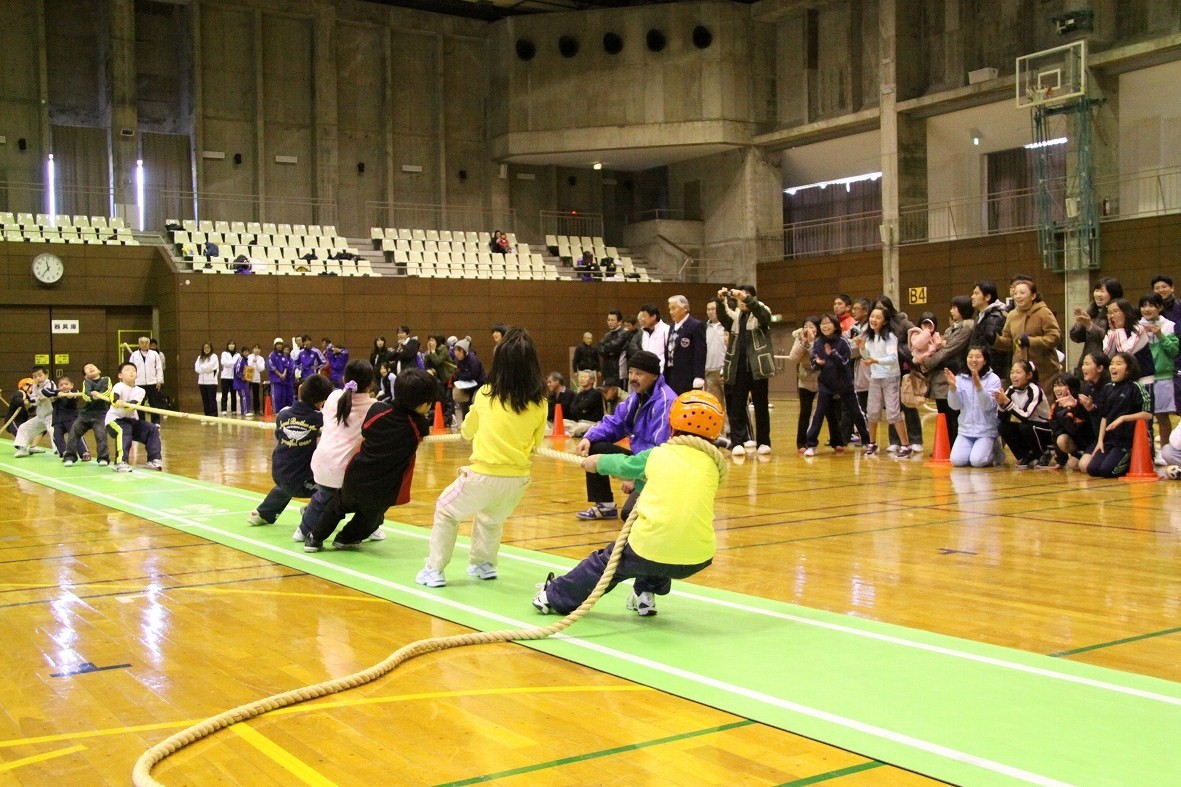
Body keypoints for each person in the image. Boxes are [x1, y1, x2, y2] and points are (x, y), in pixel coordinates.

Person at [533, 391, 727, 618]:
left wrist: (599, 462)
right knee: (660, 544)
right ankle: (645, 595)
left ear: (672, 425)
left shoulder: (656, 455)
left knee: (606, 562)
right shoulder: (714, 466)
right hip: (697, 558)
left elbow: (624, 464)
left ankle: (552, 597)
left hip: (650, 550)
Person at [416, 327, 547, 587]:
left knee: (446, 509)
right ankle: (483, 564)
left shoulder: (487, 393)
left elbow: (466, 432)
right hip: (517, 481)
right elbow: (537, 442)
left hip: (484, 475)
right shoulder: (540, 402)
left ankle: (434, 569)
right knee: (490, 518)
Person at [310, 369, 435, 549]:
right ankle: (345, 538)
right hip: (382, 487)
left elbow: (366, 431)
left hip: (356, 474)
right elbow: (419, 428)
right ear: (423, 405)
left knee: (337, 506)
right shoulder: (418, 425)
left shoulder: (377, 409)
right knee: (371, 519)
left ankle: (314, 537)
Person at [574, 350, 676, 521]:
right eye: (630, 372)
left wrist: (634, 474)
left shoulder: (666, 401)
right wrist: (589, 437)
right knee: (596, 445)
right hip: (640, 461)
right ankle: (604, 505)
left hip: (656, 467)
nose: (633, 377)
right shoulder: (636, 397)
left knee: (630, 515)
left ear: (653, 376)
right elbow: (615, 422)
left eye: (639, 373)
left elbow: (659, 449)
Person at [298, 359, 379, 552]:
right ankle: (363, 529)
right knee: (361, 498)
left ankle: (303, 529)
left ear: (344, 378)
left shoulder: (334, 396)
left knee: (323, 496)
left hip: (321, 461)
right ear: (370, 384)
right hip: (344, 471)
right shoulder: (374, 406)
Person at [247, 375, 333, 526]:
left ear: (300, 390)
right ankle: (311, 510)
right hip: (301, 482)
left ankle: (263, 513)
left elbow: (278, 435)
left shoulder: (283, 413)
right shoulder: (320, 419)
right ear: (323, 401)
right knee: (335, 488)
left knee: (290, 476)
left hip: (278, 473)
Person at [715, 285, 775, 456]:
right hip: (738, 369)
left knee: (761, 406)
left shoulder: (762, 311)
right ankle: (737, 442)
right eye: (739, 299)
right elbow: (723, 317)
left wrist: (746, 298)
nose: (741, 302)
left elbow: (765, 317)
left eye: (745, 298)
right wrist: (721, 301)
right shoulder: (735, 317)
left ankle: (763, 441)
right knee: (736, 407)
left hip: (757, 369)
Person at [804, 314, 871, 456]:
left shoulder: (843, 342)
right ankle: (811, 444)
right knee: (818, 414)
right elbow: (812, 362)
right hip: (825, 384)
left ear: (835, 326)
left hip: (844, 383)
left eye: (828, 323)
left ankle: (867, 441)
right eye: (822, 324)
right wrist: (817, 363)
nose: (825, 326)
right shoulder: (818, 343)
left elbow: (845, 363)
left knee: (856, 413)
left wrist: (832, 354)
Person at [1080, 352, 1152, 478]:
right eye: (1112, 363)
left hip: (1127, 442)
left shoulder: (1136, 387)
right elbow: (1104, 416)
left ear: (1128, 369)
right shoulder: (1108, 388)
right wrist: (1100, 441)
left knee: (1107, 471)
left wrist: (1123, 418)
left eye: (1118, 364)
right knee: (1092, 469)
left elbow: (1148, 414)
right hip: (1110, 440)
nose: (1113, 367)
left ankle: (1130, 459)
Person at [856, 307, 913, 457]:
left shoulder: (890, 337)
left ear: (885, 321)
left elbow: (893, 358)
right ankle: (872, 444)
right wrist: (862, 348)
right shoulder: (869, 337)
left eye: (878, 317)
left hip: (890, 377)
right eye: (872, 316)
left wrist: (876, 360)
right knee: (872, 411)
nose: (873, 320)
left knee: (893, 412)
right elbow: (866, 355)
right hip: (875, 377)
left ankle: (906, 446)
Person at [992, 278, 1061, 397]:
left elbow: (1054, 338)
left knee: (1042, 406)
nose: (1018, 296)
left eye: (1022, 293)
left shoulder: (1043, 312)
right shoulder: (1012, 315)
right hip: (1021, 371)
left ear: (1033, 295)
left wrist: (1030, 341)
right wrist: (995, 340)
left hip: (1044, 372)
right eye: (1015, 293)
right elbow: (1009, 341)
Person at [921, 296, 974, 447]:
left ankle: (955, 447)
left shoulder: (966, 328)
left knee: (953, 416)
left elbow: (948, 350)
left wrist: (928, 363)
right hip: (941, 375)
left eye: (954, 308)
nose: (951, 311)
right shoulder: (952, 328)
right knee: (942, 414)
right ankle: (946, 446)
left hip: (954, 374)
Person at [945, 346, 1004, 467]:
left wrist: (979, 387)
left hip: (986, 431)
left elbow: (988, 406)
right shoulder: (960, 378)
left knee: (977, 461)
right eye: (970, 356)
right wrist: (952, 388)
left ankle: (995, 448)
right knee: (957, 461)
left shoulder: (993, 379)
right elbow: (955, 406)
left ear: (985, 360)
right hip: (965, 431)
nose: (973, 360)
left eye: (978, 357)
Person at [105, 362, 164, 472]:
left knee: (152, 429)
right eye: (127, 370)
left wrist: (126, 404)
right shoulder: (119, 386)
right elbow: (113, 399)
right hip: (115, 421)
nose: (131, 372)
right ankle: (120, 462)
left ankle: (154, 459)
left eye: (133, 370)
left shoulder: (141, 391)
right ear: (120, 375)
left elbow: (134, 404)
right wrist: (117, 401)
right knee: (124, 430)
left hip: (132, 421)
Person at [1137, 292, 1178, 447]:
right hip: (1143, 378)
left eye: (1151, 305)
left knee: (1162, 416)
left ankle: (1165, 450)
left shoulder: (1168, 325)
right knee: (1143, 417)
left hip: (1163, 377)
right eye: (1144, 305)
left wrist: (1160, 335)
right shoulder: (1137, 327)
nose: (1147, 309)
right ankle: (1148, 451)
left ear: (1160, 307)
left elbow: (1174, 350)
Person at [995, 360, 1052, 469]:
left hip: (1044, 428)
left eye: (1018, 372)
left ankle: (1043, 453)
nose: (1014, 376)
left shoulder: (1035, 390)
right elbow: (1001, 418)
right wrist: (1000, 404)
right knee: (1003, 426)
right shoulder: (1011, 390)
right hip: (1027, 426)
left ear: (1029, 375)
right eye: (1012, 372)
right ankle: (1026, 454)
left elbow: (1025, 416)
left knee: (1025, 426)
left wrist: (1007, 402)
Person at [62, 364, 113, 466]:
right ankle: (70, 457)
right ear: (85, 375)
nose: (90, 367)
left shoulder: (106, 379)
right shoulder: (87, 382)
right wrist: (93, 397)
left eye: (92, 366)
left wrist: (99, 395)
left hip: (101, 415)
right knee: (73, 433)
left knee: (101, 435)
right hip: (85, 415)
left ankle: (103, 458)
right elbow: (86, 394)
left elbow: (108, 391)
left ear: (99, 370)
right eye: (86, 368)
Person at [1069, 277, 1122, 372]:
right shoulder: (1091, 311)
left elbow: (1110, 339)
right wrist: (1079, 323)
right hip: (1088, 364)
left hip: (1106, 365)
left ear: (1113, 293)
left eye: (1102, 291)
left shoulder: (1118, 313)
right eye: (1096, 291)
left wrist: (1090, 325)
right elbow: (1076, 338)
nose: (1098, 294)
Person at [1047, 373, 1093, 470]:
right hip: (1078, 445)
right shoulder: (1055, 407)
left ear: (1071, 387)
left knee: (1085, 467)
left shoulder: (1081, 402)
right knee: (1072, 463)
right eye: (1055, 386)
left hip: (1090, 442)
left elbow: (1085, 428)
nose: (1057, 389)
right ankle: (1079, 455)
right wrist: (1060, 461)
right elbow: (1055, 433)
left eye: (1061, 385)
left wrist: (1075, 408)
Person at [663, 295, 707, 396]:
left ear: (685, 308)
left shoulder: (695, 326)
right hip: (671, 374)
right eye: (670, 309)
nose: (671, 312)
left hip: (687, 376)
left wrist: (699, 376)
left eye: (674, 308)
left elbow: (700, 352)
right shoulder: (672, 326)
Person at [970, 281, 1010, 377]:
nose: (972, 296)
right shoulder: (982, 316)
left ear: (987, 297)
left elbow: (995, 351)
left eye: (976, 293)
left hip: (991, 374)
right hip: (983, 370)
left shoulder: (995, 317)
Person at [12, 367, 55, 457]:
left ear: (46, 374)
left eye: (40, 375)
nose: (37, 378)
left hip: (51, 416)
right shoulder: (35, 386)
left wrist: (36, 399)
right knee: (24, 427)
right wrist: (30, 403)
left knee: (52, 431)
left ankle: (59, 451)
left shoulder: (50, 384)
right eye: (35, 376)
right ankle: (22, 449)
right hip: (40, 416)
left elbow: (48, 394)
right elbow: (33, 398)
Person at [125, 336, 165, 424]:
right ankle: (141, 423)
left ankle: (156, 422)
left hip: (152, 383)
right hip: (139, 383)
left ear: (149, 344)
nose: (144, 344)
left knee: (154, 404)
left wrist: (159, 381)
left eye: (146, 343)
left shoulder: (154, 354)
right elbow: (131, 369)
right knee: (140, 404)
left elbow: (159, 368)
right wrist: (132, 381)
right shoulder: (134, 355)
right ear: (139, 344)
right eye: (142, 343)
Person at [703, 300, 728, 431]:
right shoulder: (704, 328)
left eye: (713, 309)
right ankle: (719, 431)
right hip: (709, 371)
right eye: (708, 309)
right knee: (715, 405)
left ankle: (732, 432)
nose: (710, 312)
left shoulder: (727, 326)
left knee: (730, 404)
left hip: (725, 370)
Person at [450, 336, 485, 426]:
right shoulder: (459, 361)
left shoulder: (473, 360)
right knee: (463, 403)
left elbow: (473, 374)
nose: (456, 353)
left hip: (478, 385)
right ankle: (466, 424)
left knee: (475, 402)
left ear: (464, 352)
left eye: (459, 351)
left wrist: (460, 375)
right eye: (455, 350)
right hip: (466, 386)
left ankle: (478, 424)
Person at [50, 377, 82, 457]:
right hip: (57, 421)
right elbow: (45, 392)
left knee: (75, 435)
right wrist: (57, 393)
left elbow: (73, 400)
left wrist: (69, 396)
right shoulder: (56, 394)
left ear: (71, 385)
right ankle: (64, 452)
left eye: (66, 384)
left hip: (71, 419)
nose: (64, 386)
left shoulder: (74, 392)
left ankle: (84, 452)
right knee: (56, 437)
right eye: (61, 385)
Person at [566, 370, 605, 436]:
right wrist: (581, 410)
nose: (582, 379)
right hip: (579, 422)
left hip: (591, 423)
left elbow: (584, 406)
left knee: (580, 427)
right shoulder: (579, 394)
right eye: (581, 377)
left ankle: (571, 433)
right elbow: (572, 408)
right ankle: (573, 432)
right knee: (562, 422)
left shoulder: (596, 394)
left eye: (584, 377)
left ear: (592, 380)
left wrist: (580, 409)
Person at [596, 310, 629, 383]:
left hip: (619, 372)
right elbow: (599, 347)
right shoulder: (607, 335)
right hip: (607, 370)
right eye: (608, 320)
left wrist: (607, 350)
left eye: (612, 320)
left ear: (619, 322)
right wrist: (609, 352)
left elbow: (615, 346)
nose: (610, 322)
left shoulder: (623, 333)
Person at [637, 304, 670, 373]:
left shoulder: (666, 330)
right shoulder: (644, 331)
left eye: (644, 316)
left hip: (662, 372)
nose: (642, 319)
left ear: (653, 317)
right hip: (647, 372)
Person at [268, 339, 296, 413]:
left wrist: (284, 374)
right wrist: (279, 374)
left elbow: (286, 365)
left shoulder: (284, 355)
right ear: (275, 345)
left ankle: (282, 412)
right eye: (278, 344)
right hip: (275, 380)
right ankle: (275, 412)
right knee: (276, 397)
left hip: (283, 380)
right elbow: (272, 366)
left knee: (283, 397)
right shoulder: (272, 355)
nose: (279, 346)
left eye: (280, 344)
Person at [194, 342, 219, 417]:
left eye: (208, 348)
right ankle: (207, 415)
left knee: (211, 399)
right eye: (205, 348)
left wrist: (202, 367)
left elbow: (210, 367)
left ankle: (213, 415)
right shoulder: (199, 357)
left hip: (211, 382)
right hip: (202, 382)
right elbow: (197, 368)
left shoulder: (214, 356)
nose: (206, 349)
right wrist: (203, 368)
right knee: (205, 399)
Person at [219, 340, 241, 416]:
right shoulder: (224, 353)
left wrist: (230, 363)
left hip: (234, 377)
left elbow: (238, 364)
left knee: (233, 394)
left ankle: (234, 410)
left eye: (233, 344)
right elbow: (224, 362)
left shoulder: (238, 355)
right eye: (230, 344)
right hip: (225, 376)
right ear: (227, 345)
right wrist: (233, 363)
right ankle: (223, 409)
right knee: (224, 393)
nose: (231, 345)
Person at [246, 344, 267, 416]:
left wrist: (256, 362)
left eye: (258, 348)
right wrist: (252, 361)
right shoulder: (249, 356)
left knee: (256, 395)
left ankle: (257, 410)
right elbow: (248, 365)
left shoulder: (261, 358)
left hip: (256, 379)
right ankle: (247, 409)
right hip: (248, 378)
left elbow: (261, 368)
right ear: (253, 349)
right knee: (247, 393)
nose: (257, 350)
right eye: (255, 348)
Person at [232, 351, 252, 416]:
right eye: (245, 352)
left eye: (248, 352)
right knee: (244, 396)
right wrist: (241, 377)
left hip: (244, 382)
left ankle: (246, 410)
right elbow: (237, 369)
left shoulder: (246, 361)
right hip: (239, 382)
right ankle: (245, 411)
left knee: (247, 395)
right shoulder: (240, 359)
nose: (247, 353)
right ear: (243, 352)